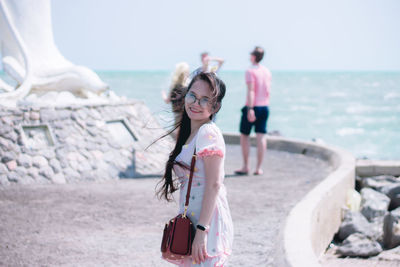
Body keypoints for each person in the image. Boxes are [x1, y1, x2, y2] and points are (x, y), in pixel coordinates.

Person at [158, 72, 233, 266]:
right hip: (193, 221)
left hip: (205, 224)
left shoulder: (208, 132)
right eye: (192, 95)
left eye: (205, 99)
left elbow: (215, 184)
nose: (196, 103)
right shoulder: (192, 133)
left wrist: (202, 231)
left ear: (215, 106)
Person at [235, 46, 271, 176]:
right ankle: (258, 168)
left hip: (253, 106)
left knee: (245, 136)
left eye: (251, 54)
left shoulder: (250, 71)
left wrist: (250, 109)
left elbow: (251, 91)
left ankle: (245, 166)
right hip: (265, 106)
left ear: (254, 56)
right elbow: (268, 91)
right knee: (261, 137)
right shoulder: (267, 71)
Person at [162, 62, 190, 126]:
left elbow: (167, 100)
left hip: (177, 115)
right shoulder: (188, 87)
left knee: (178, 131)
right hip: (186, 115)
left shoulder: (173, 86)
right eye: (187, 72)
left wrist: (163, 94)